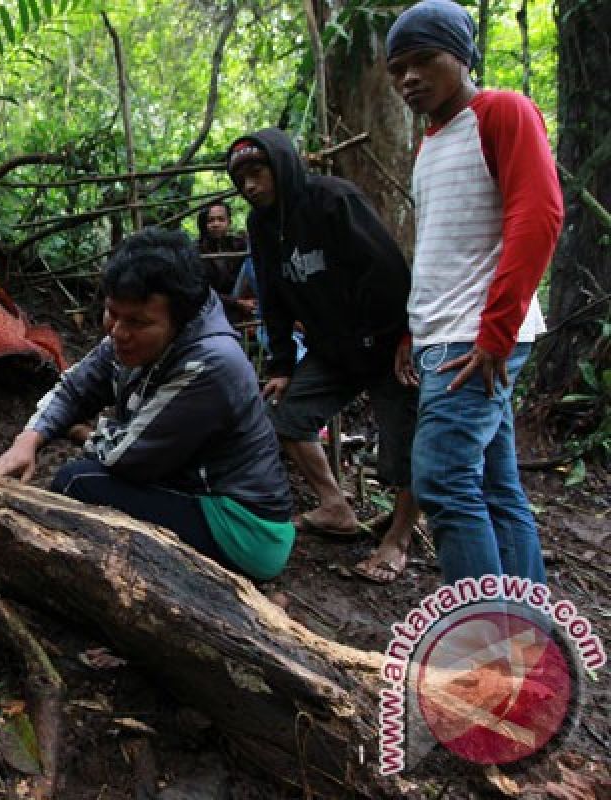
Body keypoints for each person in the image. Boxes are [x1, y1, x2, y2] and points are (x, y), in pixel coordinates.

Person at [0, 228, 295, 582]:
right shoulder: (128, 335)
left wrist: (90, 433)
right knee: (84, 476)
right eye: (111, 313)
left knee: (78, 482)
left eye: (138, 322)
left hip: (245, 529)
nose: (117, 331)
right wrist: (29, 439)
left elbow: (125, 458)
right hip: (198, 490)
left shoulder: (211, 364)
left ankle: (53, 581)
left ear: (180, 321)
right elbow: (76, 386)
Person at [385, 0, 562, 585]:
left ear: (462, 57)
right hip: (449, 333)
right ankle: (529, 636)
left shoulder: (502, 112)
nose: (408, 78)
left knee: (440, 477)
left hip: (479, 336)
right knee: (492, 485)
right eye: (397, 69)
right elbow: (441, 245)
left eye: (423, 61)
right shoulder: (431, 141)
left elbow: (538, 219)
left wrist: (496, 333)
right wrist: (415, 328)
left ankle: (485, 647)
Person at [227, 127, 421, 584]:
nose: (250, 186)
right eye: (241, 180)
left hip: (388, 341)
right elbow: (272, 296)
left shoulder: (334, 200)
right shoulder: (261, 226)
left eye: (258, 172)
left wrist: (405, 335)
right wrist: (280, 364)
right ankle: (335, 507)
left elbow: (388, 268)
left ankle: (398, 537)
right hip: (333, 349)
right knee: (288, 418)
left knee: (404, 449)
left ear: (282, 166)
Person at [196, 200, 252, 323]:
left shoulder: (238, 244)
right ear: (203, 224)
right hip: (212, 307)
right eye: (210, 220)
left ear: (229, 222)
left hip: (241, 298)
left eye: (221, 219)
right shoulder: (196, 251)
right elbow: (201, 292)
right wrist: (237, 303)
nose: (216, 224)